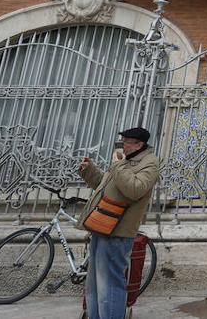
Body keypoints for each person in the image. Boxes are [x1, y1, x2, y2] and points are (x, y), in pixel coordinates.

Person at [77, 127, 160, 319]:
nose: (123, 144)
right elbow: (105, 186)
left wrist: (118, 166)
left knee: (111, 284)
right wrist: (89, 171)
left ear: (139, 144)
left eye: (127, 142)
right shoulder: (125, 161)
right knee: (95, 283)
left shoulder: (149, 164)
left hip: (118, 231)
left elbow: (134, 189)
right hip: (101, 226)